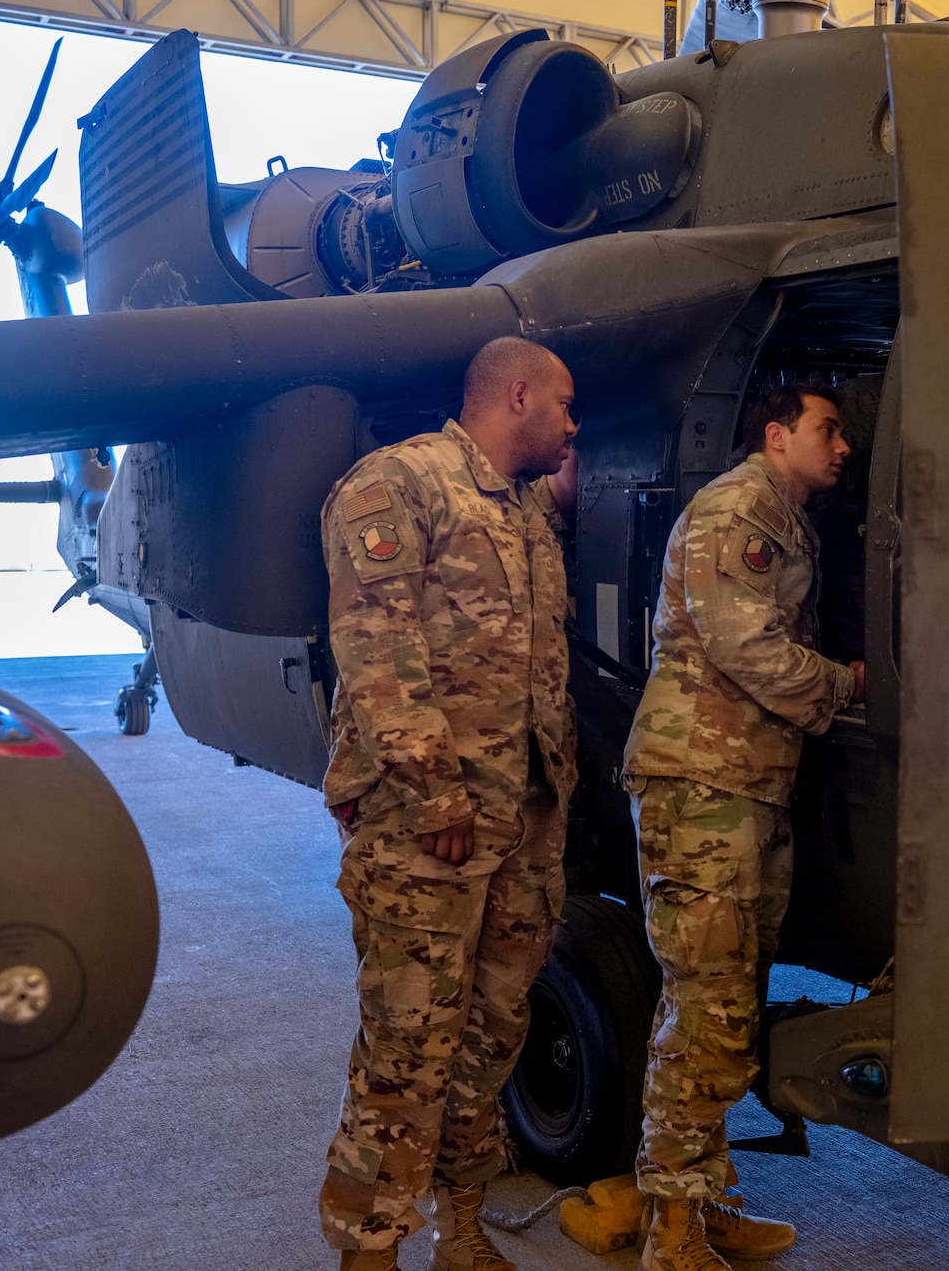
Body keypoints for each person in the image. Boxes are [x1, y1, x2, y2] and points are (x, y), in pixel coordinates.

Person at [316, 336, 582, 1271]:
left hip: (521, 827)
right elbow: (376, 651)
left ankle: (462, 1232)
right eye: (565, 405)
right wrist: (433, 793)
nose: (573, 424)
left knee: (491, 1037)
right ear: (518, 397)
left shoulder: (524, 515)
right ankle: (370, 1252)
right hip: (430, 829)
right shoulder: (399, 485)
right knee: (407, 1049)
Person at [622, 379, 866, 1271]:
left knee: (722, 1004)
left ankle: (695, 1197)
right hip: (702, 784)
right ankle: (672, 1235)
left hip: (745, 784)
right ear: (776, 433)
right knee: (708, 1007)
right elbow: (745, 646)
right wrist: (845, 685)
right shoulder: (739, 511)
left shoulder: (784, 518)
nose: (842, 447)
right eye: (827, 429)